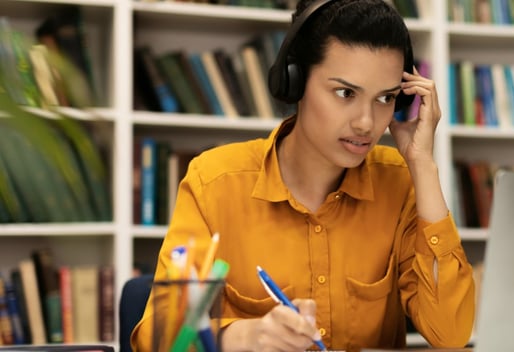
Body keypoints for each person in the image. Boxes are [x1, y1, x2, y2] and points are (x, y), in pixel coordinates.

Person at [131, 0, 475, 350]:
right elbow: (158, 339)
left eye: (385, 98)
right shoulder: (214, 182)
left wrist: (423, 166)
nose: (366, 123)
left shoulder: (400, 183)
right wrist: (244, 337)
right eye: (345, 93)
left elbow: (450, 335)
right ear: (294, 82)